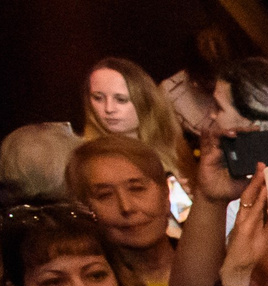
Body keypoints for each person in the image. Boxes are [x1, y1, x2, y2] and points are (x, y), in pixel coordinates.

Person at [67, 136, 176, 286]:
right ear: (85, 208)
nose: (126, 207)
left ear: (165, 194)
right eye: (105, 195)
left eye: (137, 189)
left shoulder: (212, 265)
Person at [80, 56, 191, 189]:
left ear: (145, 100)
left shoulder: (172, 146)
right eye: (98, 98)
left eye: (121, 99)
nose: (108, 108)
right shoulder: (86, 158)